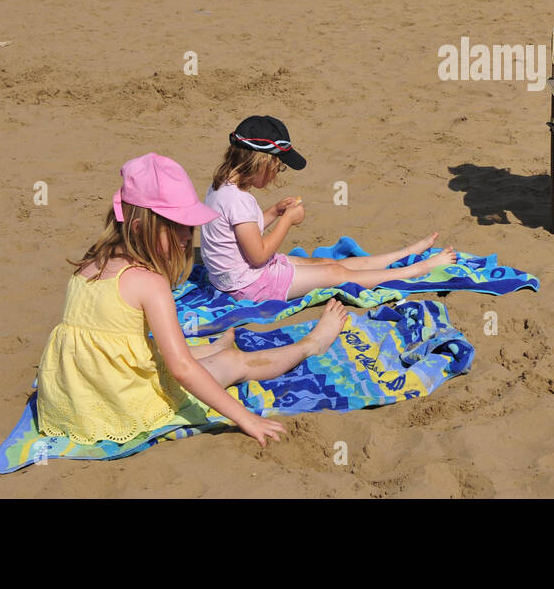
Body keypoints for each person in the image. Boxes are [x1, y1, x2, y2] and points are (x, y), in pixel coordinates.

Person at [35, 153, 349, 448]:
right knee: (232, 363)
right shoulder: (149, 283)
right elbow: (182, 368)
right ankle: (312, 345)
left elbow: (115, 348)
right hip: (121, 405)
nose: (189, 236)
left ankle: (213, 348)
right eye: (180, 227)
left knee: (161, 349)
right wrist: (245, 418)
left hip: (72, 400)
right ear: (141, 226)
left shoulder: (91, 264)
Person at [201, 116, 457, 303]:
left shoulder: (220, 188)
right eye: (278, 167)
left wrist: (274, 211)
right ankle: (417, 270)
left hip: (234, 278)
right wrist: (287, 221)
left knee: (325, 262)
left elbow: (241, 230)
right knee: (335, 272)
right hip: (251, 285)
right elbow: (258, 255)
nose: (277, 176)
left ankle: (403, 253)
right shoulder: (240, 201)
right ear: (262, 162)